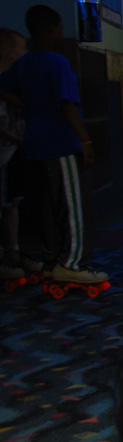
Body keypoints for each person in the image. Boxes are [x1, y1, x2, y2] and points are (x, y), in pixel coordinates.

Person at [0, 5, 107, 286]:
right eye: (60, 28)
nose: (62, 33)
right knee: (73, 206)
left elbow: (3, 87)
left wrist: (30, 106)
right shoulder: (56, 63)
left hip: (33, 144)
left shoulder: (24, 64)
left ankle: (51, 261)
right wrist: (84, 140)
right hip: (60, 142)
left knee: (46, 207)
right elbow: (66, 105)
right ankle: (72, 263)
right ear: (50, 31)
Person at [0, 28, 27, 284]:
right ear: (10, 53)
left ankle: (14, 251)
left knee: (12, 202)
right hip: (5, 151)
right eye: (22, 48)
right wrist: (17, 139)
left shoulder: (12, 81)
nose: (25, 53)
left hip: (12, 150)